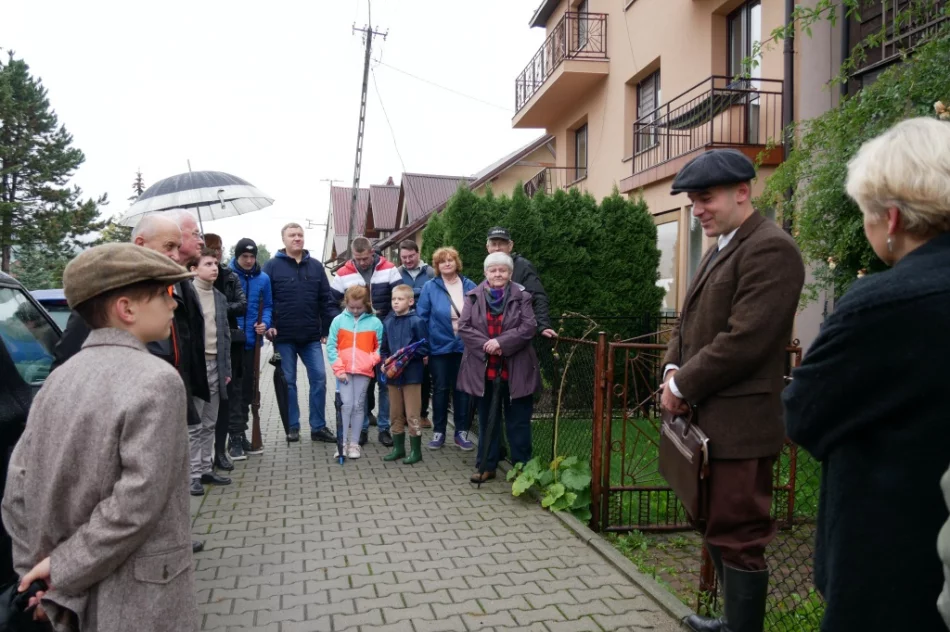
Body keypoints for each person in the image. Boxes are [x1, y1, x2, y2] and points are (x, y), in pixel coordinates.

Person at [783, 118, 950, 632]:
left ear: (892, 218)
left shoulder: (882, 306)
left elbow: (803, 414)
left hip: (895, 570)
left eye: (865, 216)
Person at [1, 243, 199, 632]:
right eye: (162, 294)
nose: (173, 304)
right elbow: (136, 503)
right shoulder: (158, 380)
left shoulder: (58, 378)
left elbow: (16, 491)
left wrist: (37, 577)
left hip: (66, 595)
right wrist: (60, 570)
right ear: (127, 309)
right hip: (140, 595)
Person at [659, 149, 804, 632]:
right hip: (708, 422)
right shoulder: (723, 244)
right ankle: (729, 621)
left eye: (705, 199)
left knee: (739, 535)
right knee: (716, 526)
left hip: (741, 427)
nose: (697, 209)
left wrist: (683, 383)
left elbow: (746, 341)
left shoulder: (770, 248)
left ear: (743, 192)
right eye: (692, 201)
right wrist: (672, 366)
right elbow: (689, 322)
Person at [48, 211, 209, 554]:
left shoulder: (174, 284)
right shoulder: (108, 296)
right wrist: (63, 564)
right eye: (169, 245)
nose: (176, 252)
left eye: (178, 245)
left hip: (173, 397)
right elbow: (68, 359)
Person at [457, 253, 541, 484]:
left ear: (510, 273)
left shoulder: (522, 296)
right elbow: (464, 327)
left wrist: (501, 343)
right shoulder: (473, 297)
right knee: (487, 421)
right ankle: (486, 465)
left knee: (518, 423)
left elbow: (529, 326)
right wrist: (488, 346)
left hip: (516, 369)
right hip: (484, 369)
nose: (497, 274)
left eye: (502, 270)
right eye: (493, 270)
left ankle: (522, 470)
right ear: (485, 273)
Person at [263, 223, 338, 443]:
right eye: (292, 235)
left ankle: (318, 427)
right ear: (283, 239)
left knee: (320, 379)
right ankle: (292, 426)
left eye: (300, 235)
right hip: (283, 337)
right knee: (289, 383)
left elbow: (326, 300)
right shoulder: (272, 267)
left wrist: (326, 330)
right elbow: (265, 301)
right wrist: (268, 326)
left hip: (311, 337)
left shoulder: (315, 267)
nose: (297, 238)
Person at [329, 236, 402, 447]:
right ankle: (360, 430)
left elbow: (399, 297)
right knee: (362, 387)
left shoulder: (389, 268)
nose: (362, 262)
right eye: (358, 259)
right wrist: (345, 321)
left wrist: (388, 323)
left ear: (373, 252)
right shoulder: (343, 273)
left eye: (365, 258)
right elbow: (331, 303)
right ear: (353, 255)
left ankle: (384, 428)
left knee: (385, 384)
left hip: (384, 333)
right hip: (357, 339)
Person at [416, 247, 477, 451]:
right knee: (441, 389)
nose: (447, 263)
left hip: (464, 346)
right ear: (437, 266)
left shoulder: (470, 285)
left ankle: (461, 433)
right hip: (438, 346)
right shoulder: (430, 287)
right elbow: (422, 318)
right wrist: (424, 348)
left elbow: (478, 315)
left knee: (462, 390)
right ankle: (439, 431)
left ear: (457, 263)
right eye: (443, 261)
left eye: (451, 260)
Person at [187, 248, 232, 496]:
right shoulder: (187, 294)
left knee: (209, 422)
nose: (214, 268)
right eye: (208, 264)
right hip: (197, 365)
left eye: (216, 263)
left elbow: (224, 333)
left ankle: (206, 468)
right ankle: (192, 474)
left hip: (217, 364)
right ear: (194, 269)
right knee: (194, 424)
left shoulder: (219, 296)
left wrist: (226, 368)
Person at [203, 233, 248, 470]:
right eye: (211, 249)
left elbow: (242, 305)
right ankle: (203, 459)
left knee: (231, 396)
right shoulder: (195, 280)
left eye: (219, 249)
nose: (217, 253)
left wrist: (220, 307)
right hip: (206, 348)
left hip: (230, 342)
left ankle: (225, 447)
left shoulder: (229, 276)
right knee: (207, 406)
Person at [326, 286, 383, 461]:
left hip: (363, 371)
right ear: (346, 304)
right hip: (343, 371)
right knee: (346, 405)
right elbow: (331, 346)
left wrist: (369, 361)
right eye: (352, 307)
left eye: (359, 307)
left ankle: (354, 443)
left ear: (367, 304)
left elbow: (379, 347)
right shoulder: (338, 321)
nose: (356, 311)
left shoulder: (375, 323)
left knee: (359, 407)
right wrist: (339, 369)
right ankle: (341, 443)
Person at [228, 238, 272, 461]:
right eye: (244, 256)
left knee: (248, 390)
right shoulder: (226, 276)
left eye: (252, 256)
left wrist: (264, 323)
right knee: (234, 391)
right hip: (232, 343)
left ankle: (242, 432)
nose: (248, 260)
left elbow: (268, 306)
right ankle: (234, 436)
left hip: (252, 344)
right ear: (237, 256)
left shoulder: (263, 279)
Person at [380, 284, 430, 465]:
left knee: (412, 414)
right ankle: (398, 448)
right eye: (393, 299)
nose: (395, 302)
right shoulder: (388, 321)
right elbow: (383, 348)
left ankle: (416, 451)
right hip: (393, 376)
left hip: (412, 376)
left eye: (400, 299)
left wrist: (406, 357)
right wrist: (385, 362)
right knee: (395, 413)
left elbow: (425, 347)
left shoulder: (417, 321)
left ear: (410, 301)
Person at [485, 227, 556, 339]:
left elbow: (538, 296)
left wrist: (543, 325)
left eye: (501, 244)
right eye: (493, 244)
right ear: (488, 247)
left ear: (510, 246)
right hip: (492, 333)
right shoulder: (488, 267)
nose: (497, 248)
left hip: (517, 334)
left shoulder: (523, 266)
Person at [397, 239, 435, 429]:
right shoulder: (396, 273)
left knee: (423, 371)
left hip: (425, 327)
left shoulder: (429, 272)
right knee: (403, 369)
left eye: (411, 256)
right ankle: (404, 414)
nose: (408, 260)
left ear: (418, 253)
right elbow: (395, 295)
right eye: (404, 257)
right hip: (403, 328)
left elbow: (434, 294)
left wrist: (412, 292)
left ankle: (422, 414)